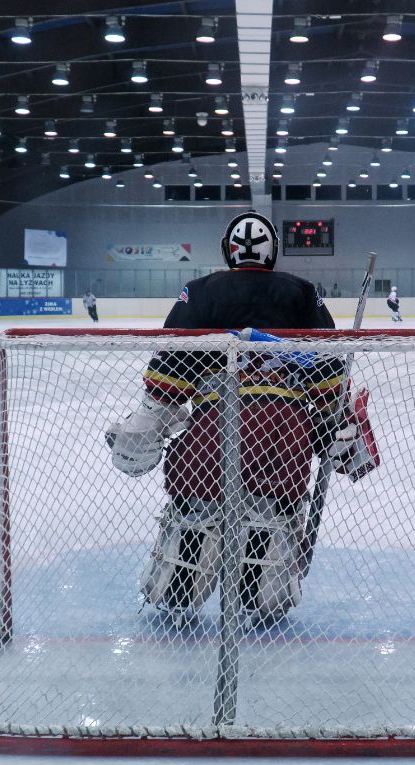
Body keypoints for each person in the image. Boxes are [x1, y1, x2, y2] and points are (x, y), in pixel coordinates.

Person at [104, 211, 374, 622]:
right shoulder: (303, 293)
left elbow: (167, 381)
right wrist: (337, 432)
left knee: (195, 517)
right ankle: (261, 598)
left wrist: (141, 432)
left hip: (212, 429)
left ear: (227, 250)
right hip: (282, 435)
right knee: (270, 521)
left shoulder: (199, 292)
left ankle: (178, 598)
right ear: (273, 252)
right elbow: (327, 383)